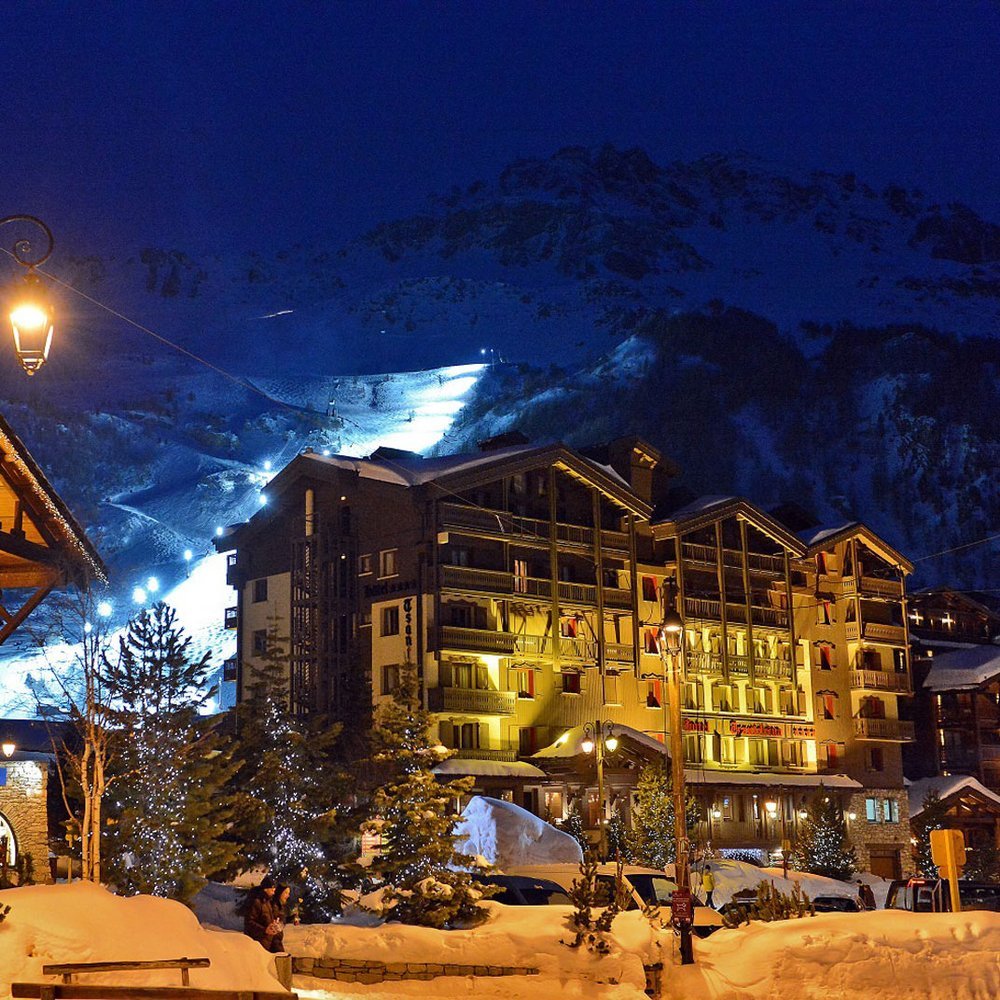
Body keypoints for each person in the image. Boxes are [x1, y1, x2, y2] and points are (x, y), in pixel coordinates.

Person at [244, 876, 277, 948]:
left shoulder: (267, 901)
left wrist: (272, 923)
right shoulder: (256, 902)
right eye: (272, 890)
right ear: (265, 889)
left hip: (265, 941)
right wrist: (264, 930)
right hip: (257, 942)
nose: (274, 893)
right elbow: (249, 922)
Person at [267, 884, 291, 953]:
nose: (288, 896)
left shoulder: (279, 905)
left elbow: (281, 921)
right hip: (274, 941)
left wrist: (290, 919)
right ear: (280, 892)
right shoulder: (275, 905)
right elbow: (275, 923)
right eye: (286, 893)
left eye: (288, 893)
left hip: (276, 939)